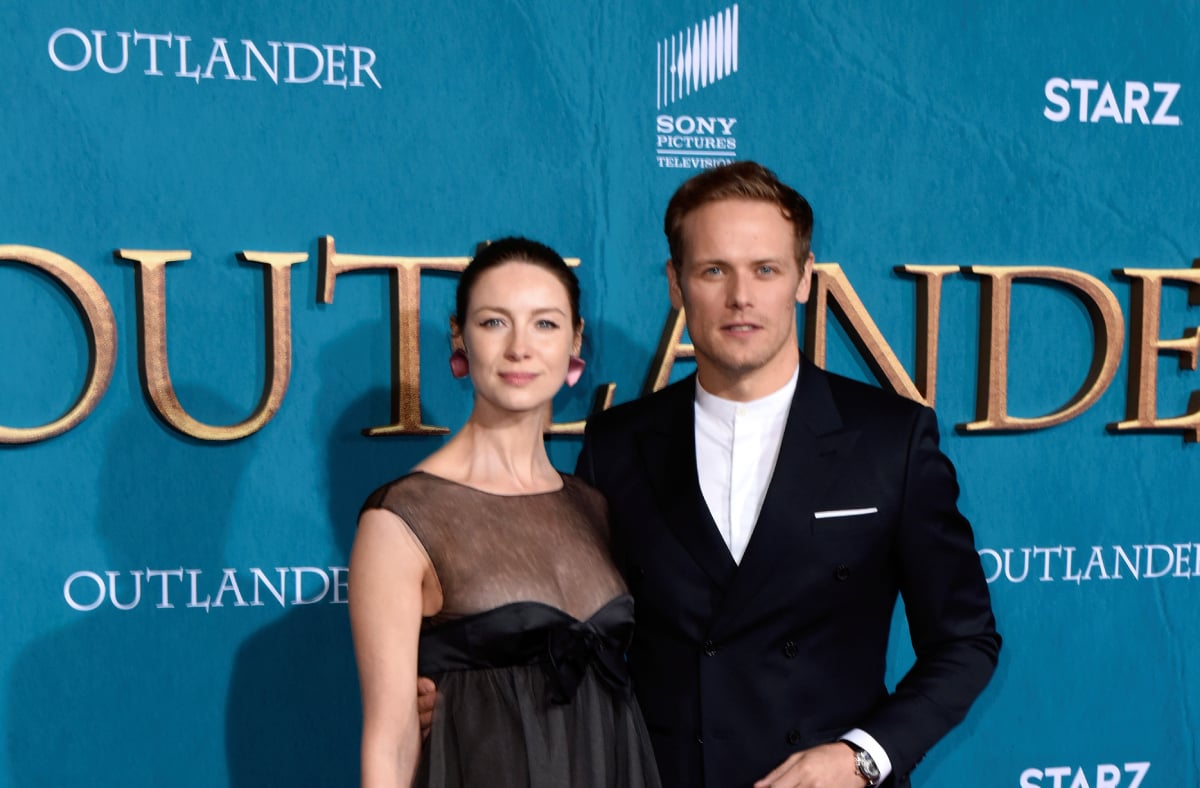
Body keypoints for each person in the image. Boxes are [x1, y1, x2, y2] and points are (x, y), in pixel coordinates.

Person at [573, 161, 1001, 787]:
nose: (740, 297)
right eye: (713, 270)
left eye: (765, 270)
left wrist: (861, 757)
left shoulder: (892, 439)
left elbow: (966, 642)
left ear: (803, 279)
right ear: (675, 283)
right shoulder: (617, 444)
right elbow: (581, 644)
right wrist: (459, 694)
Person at [350, 237, 661, 787]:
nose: (520, 348)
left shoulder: (592, 506)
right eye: (495, 322)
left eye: (545, 324)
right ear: (459, 336)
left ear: (574, 341)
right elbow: (390, 743)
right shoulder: (400, 519)